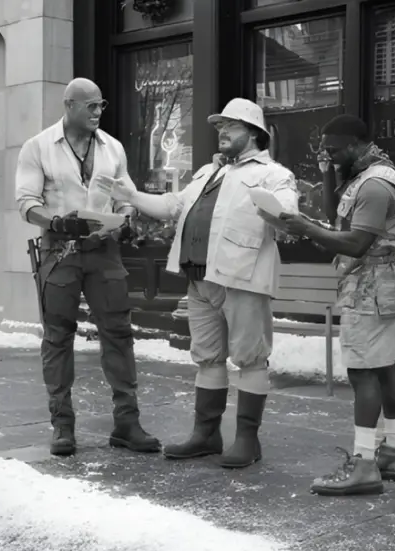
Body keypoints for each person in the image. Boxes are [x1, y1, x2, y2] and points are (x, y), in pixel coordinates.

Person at [107, 98, 299, 469]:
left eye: (231, 126)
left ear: (254, 133)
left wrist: (275, 208)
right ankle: (206, 435)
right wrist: (129, 195)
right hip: (200, 280)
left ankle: (247, 440)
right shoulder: (207, 174)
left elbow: (287, 214)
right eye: (219, 127)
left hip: (243, 279)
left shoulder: (274, 174)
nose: (222, 132)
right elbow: (172, 207)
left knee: (250, 359)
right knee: (207, 359)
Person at [265, 114, 395, 496]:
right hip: (379, 285)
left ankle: (364, 464)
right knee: (382, 367)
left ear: (357, 145)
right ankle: (393, 452)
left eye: (333, 151)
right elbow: (338, 216)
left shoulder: (377, 185)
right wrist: (330, 170)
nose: (327, 158)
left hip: (371, 286)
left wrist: (303, 227)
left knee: (364, 374)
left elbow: (355, 243)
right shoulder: (367, 175)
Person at [15, 77, 160, 457]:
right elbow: (25, 201)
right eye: (91, 106)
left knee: (118, 332)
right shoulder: (38, 147)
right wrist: (57, 223)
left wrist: (127, 218)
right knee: (57, 335)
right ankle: (62, 425)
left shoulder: (112, 147)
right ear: (70, 105)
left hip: (104, 251)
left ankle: (127, 423)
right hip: (59, 251)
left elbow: (125, 195)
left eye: (101, 105)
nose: (98, 112)